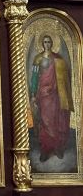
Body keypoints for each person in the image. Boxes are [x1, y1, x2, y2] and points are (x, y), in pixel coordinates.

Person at [29, 34, 73, 162]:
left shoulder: (58, 58)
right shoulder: (38, 59)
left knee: (56, 120)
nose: (47, 44)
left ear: (52, 43)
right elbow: (34, 77)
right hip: (43, 95)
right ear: (42, 44)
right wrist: (33, 94)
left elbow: (65, 78)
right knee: (45, 121)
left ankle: (58, 147)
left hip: (56, 95)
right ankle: (46, 149)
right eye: (45, 42)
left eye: (49, 42)